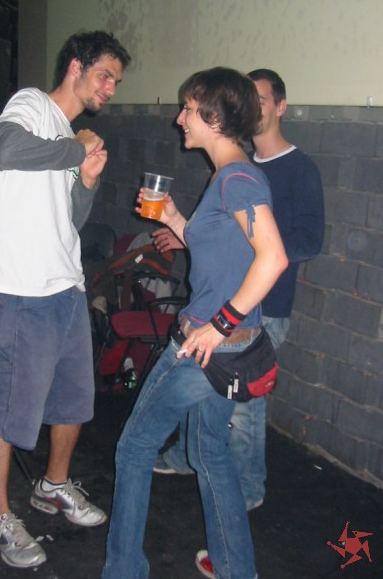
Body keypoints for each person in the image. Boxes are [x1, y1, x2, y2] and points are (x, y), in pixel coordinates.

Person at [101, 67, 288, 579]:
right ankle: (235, 568)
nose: (179, 118)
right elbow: (225, 249)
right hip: (227, 351)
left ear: (215, 118)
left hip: (204, 348)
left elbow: (272, 257)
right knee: (209, 454)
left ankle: (123, 571)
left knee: (134, 447)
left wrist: (219, 324)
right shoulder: (231, 175)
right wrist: (173, 220)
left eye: (188, 109)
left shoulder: (237, 179)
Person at [152, 69, 325, 578]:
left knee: (244, 412)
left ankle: (245, 496)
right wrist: (184, 226)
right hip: (228, 309)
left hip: (261, 307)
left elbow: (301, 243)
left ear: (279, 106)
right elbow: (225, 237)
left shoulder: (289, 170)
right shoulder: (234, 164)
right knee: (211, 416)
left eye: (261, 98)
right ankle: (200, 472)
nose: (254, 105)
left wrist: (255, 246)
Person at [0, 30, 131, 569]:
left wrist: (85, 182)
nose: (109, 88)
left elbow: (71, 220)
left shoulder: (70, 137)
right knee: (7, 412)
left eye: (115, 81)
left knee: (73, 402)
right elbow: (4, 150)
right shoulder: (31, 105)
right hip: (22, 294)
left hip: (67, 288)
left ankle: (53, 484)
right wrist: (76, 150)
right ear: (75, 67)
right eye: (104, 75)